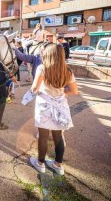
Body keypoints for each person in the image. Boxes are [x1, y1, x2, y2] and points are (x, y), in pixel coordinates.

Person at [29, 43, 78, 175]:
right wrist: (61, 92)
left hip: (44, 105)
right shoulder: (68, 71)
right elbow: (74, 91)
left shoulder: (42, 68)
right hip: (61, 106)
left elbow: (34, 89)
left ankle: (40, 163)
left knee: (43, 136)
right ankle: (58, 165)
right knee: (58, 136)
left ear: (48, 54)